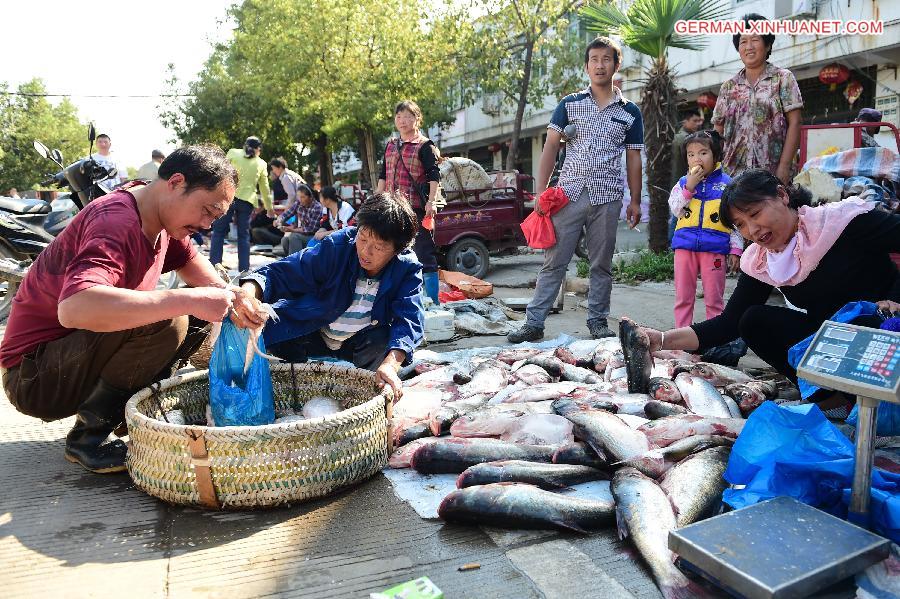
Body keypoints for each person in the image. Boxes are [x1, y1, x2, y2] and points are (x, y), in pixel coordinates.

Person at [0, 145, 251, 474]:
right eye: (206, 211)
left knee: (194, 308)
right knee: (172, 314)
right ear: (175, 182)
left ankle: (128, 415)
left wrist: (236, 296)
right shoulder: (116, 221)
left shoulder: (161, 217)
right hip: (35, 378)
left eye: (214, 218)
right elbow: (74, 308)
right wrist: (188, 300)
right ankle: (89, 438)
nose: (206, 225)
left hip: (69, 360)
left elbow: (200, 273)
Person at [641, 169, 900, 411]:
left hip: (883, 332)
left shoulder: (843, 221)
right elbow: (729, 323)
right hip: (834, 338)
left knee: (868, 321)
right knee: (753, 320)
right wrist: (662, 340)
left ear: (782, 195)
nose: (752, 230)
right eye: (740, 224)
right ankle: (830, 401)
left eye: (755, 214)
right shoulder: (762, 259)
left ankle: (875, 406)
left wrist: (896, 299)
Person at [508, 36, 644, 343]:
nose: (600, 65)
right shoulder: (569, 104)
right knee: (554, 262)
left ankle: (597, 320)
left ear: (616, 65)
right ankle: (534, 322)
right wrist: (541, 194)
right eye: (594, 59)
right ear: (586, 66)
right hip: (567, 195)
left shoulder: (630, 112)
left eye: (606, 59)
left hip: (607, 198)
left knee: (601, 265)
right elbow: (550, 147)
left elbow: (633, 158)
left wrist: (635, 201)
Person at [232, 192, 425, 397]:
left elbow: (410, 319)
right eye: (362, 238)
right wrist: (249, 291)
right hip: (313, 330)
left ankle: (367, 388)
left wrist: (391, 364)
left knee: (383, 339)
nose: (365, 252)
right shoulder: (337, 246)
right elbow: (283, 273)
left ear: (397, 250)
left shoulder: (407, 267)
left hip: (360, 343)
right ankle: (294, 379)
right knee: (264, 321)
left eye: (378, 247)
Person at [712, 13, 803, 184]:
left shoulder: (783, 78)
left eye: (755, 39)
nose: (749, 46)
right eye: (743, 41)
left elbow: (795, 123)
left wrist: (784, 166)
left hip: (772, 175)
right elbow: (717, 132)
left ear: (767, 44)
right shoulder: (728, 87)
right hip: (732, 176)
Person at [668, 130, 741, 328]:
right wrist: (689, 188)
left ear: (715, 156)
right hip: (685, 247)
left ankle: (714, 343)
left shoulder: (728, 185)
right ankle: (681, 342)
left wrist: (736, 249)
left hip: (715, 249)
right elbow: (675, 209)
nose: (696, 159)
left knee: (714, 300)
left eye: (702, 153)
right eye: (691, 155)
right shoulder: (683, 182)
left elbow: (736, 219)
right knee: (683, 298)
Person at [375, 100, 441, 306]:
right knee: (392, 253)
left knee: (424, 255)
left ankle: (433, 304)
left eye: (407, 116)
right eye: (399, 116)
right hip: (392, 209)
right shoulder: (391, 145)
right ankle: (400, 302)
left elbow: (434, 176)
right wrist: (377, 200)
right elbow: (383, 175)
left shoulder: (425, 146)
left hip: (416, 210)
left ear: (417, 119)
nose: (402, 121)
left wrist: (431, 202)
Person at [209, 136, 272, 273]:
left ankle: (214, 267)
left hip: (227, 198)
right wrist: (269, 208)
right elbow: (265, 188)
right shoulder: (261, 163)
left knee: (218, 232)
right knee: (243, 236)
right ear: (258, 149)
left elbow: (220, 173)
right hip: (247, 201)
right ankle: (244, 269)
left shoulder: (232, 153)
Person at [669, 109, 705, 243]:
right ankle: (671, 241)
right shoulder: (684, 139)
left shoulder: (686, 137)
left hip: (686, 179)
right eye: (694, 121)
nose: (697, 124)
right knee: (678, 212)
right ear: (685, 121)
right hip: (684, 180)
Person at [276, 184, 325, 255]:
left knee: (294, 237)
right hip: (302, 233)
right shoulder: (298, 203)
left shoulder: (317, 207)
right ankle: (291, 258)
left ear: (310, 197)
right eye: (299, 197)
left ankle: (294, 262)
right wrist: (279, 220)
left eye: (303, 197)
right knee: (285, 240)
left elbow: (310, 230)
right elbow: (287, 214)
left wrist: (291, 230)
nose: (300, 199)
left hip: (314, 236)